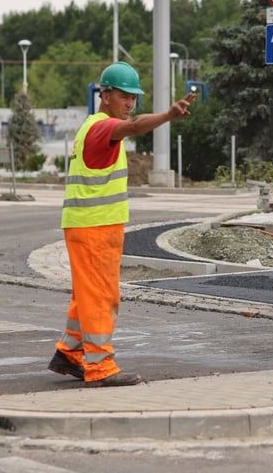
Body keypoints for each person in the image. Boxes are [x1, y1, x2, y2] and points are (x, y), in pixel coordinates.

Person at [47, 61, 193, 387]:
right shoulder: (101, 128)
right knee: (100, 296)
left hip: (95, 227)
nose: (130, 104)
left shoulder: (94, 127)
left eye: (133, 98)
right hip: (93, 229)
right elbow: (135, 126)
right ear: (106, 94)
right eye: (124, 96)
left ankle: (70, 354)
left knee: (86, 295)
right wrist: (167, 116)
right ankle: (99, 366)